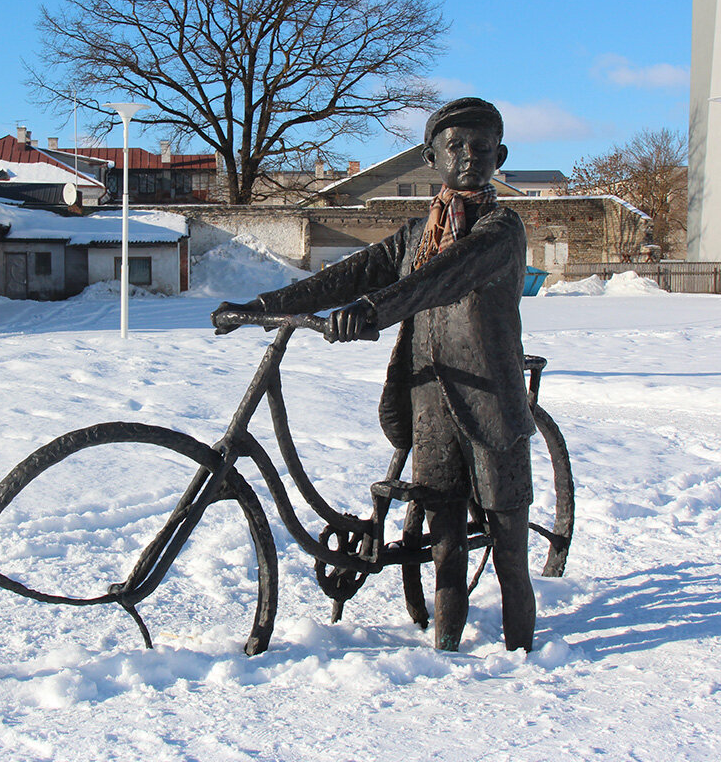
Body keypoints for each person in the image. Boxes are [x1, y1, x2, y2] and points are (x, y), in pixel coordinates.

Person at [212, 97, 536, 652]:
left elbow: (440, 279)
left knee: (509, 543)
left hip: (490, 403)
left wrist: (373, 310)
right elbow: (350, 273)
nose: (467, 158)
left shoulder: (500, 228)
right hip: (430, 399)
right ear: (431, 158)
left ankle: (522, 652)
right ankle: (447, 646)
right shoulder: (418, 233)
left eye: (481, 148)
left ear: (499, 156)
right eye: (453, 147)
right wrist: (267, 304)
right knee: (444, 543)